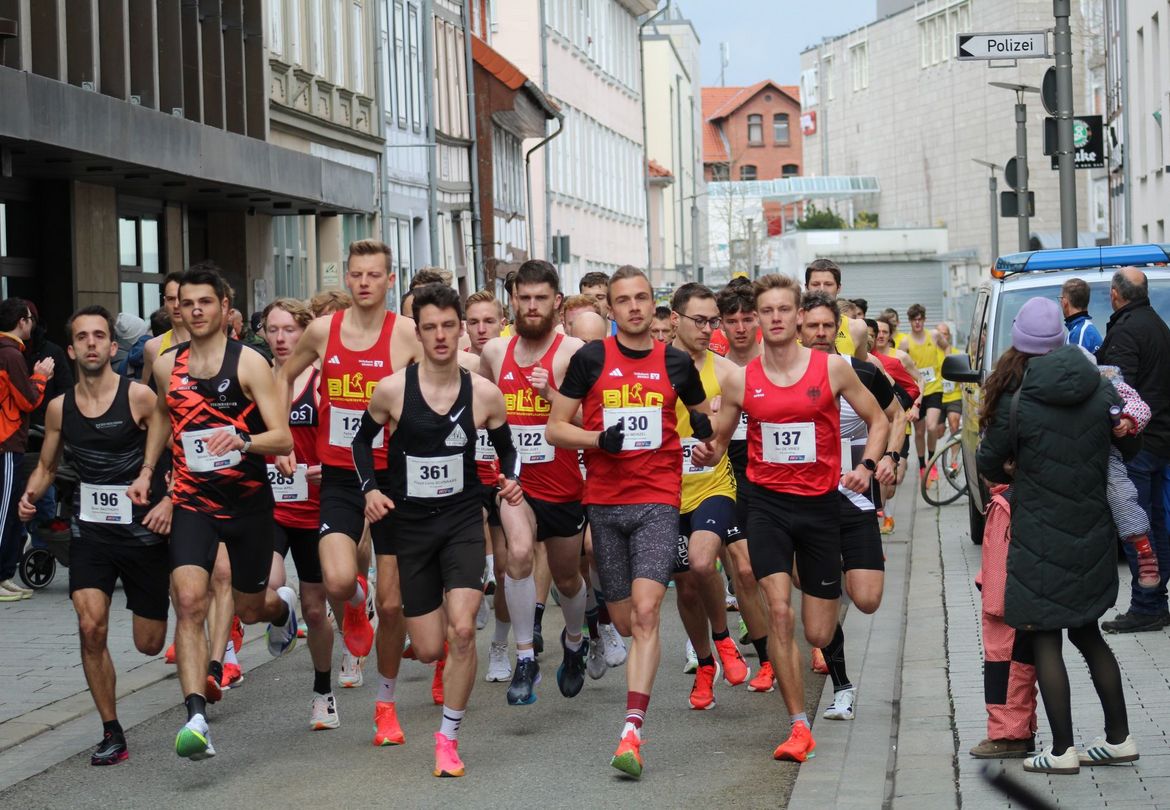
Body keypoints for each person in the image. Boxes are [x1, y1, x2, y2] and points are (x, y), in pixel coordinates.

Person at [694, 274, 888, 764]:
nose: (776, 317)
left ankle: (821, 644)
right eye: (768, 310)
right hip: (766, 506)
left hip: (821, 506)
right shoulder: (739, 379)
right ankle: (798, 725)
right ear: (757, 319)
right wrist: (705, 450)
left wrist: (867, 466)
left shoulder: (832, 369)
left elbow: (880, 419)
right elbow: (719, 441)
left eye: (785, 309)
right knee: (779, 610)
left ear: (799, 316)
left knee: (818, 631)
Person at [129, 262, 298, 760]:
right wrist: (147, 469)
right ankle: (196, 717)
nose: (196, 310)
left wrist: (243, 440)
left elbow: (282, 436)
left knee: (250, 606)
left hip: (246, 504)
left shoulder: (249, 363)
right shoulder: (166, 365)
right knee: (189, 601)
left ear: (225, 309)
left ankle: (281, 608)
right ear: (176, 309)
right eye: (187, 303)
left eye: (206, 302)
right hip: (192, 502)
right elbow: (163, 413)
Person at [353, 282, 523, 778]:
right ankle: (430, 667)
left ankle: (448, 738)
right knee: (428, 647)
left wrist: (511, 478)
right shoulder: (392, 389)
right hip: (409, 527)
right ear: (419, 333)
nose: (441, 336)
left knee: (464, 629)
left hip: (462, 522)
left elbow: (507, 448)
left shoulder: (484, 394)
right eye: (430, 327)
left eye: (450, 325)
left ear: (463, 330)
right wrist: (369, 490)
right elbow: (362, 445)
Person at [547, 265, 709, 778]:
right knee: (623, 621)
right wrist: (597, 441)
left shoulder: (677, 363)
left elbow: (707, 418)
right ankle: (601, 639)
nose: (635, 307)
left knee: (645, 614)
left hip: (659, 499)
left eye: (643, 298)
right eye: (624, 300)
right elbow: (555, 429)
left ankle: (632, 731)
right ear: (610, 310)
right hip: (605, 504)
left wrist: (708, 442)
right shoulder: (591, 359)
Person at [977, 296, 1136, 775]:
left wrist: (1013, 464)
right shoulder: (1101, 387)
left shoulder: (1016, 398)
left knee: (1045, 637)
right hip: (1091, 530)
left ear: (1021, 345)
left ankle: (1062, 750)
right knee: (1088, 634)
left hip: (1039, 534)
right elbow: (1130, 443)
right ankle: (1120, 738)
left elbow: (988, 462)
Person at [277, 239, 425, 746]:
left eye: (374, 274)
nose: (364, 282)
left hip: (394, 476)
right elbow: (282, 374)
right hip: (339, 474)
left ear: (389, 280)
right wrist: (279, 437)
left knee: (393, 606)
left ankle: (385, 705)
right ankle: (353, 606)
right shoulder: (323, 330)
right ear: (348, 278)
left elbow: (440, 383)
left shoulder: (405, 334)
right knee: (338, 583)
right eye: (356, 274)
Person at [17, 305, 171, 764]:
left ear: (112, 346)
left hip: (143, 535)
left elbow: (172, 449)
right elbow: (46, 465)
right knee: (90, 627)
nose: (90, 343)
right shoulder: (61, 408)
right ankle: (111, 731)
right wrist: (30, 496)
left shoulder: (140, 397)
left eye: (98, 336)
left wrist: (166, 496)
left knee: (149, 643)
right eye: (81, 336)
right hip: (92, 534)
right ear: (71, 349)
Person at [479, 260, 593, 705]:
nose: (531, 306)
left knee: (567, 579)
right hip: (515, 483)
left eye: (540, 298)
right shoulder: (494, 354)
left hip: (563, 484)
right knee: (519, 555)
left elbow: (593, 423)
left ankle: (575, 640)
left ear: (556, 302)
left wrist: (553, 398)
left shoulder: (574, 353)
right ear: (512, 302)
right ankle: (524, 656)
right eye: (523, 298)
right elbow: (481, 407)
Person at [798, 293, 901, 723]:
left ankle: (832, 578)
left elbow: (895, 417)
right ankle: (842, 685)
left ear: (838, 331)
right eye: (813, 327)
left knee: (868, 599)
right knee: (818, 625)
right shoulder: (784, 379)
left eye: (828, 327)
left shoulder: (861, 373)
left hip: (854, 498)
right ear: (800, 329)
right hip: (806, 507)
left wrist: (888, 459)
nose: (820, 334)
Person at [667, 283, 752, 710]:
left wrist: (712, 443)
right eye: (698, 321)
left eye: (711, 321)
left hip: (713, 484)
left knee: (703, 562)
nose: (707, 329)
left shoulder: (727, 373)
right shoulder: (653, 368)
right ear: (673, 319)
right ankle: (704, 665)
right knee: (684, 589)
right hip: (665, 492)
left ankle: (724, 639)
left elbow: (724, 440)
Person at [262, 298, 339, 727]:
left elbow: (343, 435)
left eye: (289, 329)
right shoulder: (257, 378)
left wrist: (328, 467)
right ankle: (279, 612)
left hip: (314, 507)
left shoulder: (320, 378)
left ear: (305, 333)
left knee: (316, 609)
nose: (280, 338)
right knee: (269, 583)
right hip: (271, 506)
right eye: (272, 330)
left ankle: (323, 690)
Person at [1097, 268, 1170, 633]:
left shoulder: (1125, 331)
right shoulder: (1158, 325)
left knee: (1135, 526)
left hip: (1136, 445)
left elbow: (1116, 393)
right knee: (1155, 524)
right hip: (1161, 441)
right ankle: (1156, 601)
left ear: (1115, 295)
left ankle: (1146, 604)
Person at [713, 282, 776, 695]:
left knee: (783, 568)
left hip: (773, 464)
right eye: (731, 320)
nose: (740, 327)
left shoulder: (775, 360)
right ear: (721, 323)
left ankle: (816, 640)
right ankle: (768, 657)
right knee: (746, 570)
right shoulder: (714, 368)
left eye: (747, 318)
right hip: (730, 466)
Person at [0, 298, 53, 600]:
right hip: (6, 442)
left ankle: (5, 575)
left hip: (6, 441)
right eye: (30, 319)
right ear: (22, 320)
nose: (32, 324)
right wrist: (41, 376)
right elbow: (29, 400)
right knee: (5, 512)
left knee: (7, 513)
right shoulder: (10, 355)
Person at [898, 303, 944, 478]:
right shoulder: (905, 342)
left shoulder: (934, 335)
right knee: (919, 431)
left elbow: (946, 346)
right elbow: (899, 364)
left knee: (932, 427)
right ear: (909, 322)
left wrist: (944, 365)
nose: (917, 323)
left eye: (920, 319)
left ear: (924, 320)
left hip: (934, 387)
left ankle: (932, 462)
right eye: (914, 320)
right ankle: (922, 464)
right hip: (917, 391)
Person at [803, 259, 868, 360]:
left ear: (838, 288)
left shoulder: (857, 328)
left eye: (828, 284)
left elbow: (862, 370)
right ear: (806, 287)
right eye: (815, 284)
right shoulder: (792, 327)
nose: (822, 289)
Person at [140, 271, 190, 385]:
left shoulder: (207, 344)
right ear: (165, 302)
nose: (176, 305)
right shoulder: (152, 347)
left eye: (182, 298)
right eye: (171, 299)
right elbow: (145, 390)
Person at [1061, 278, 1103, 353]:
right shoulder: (1083, 329)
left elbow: (1076, 364)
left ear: (1065, 302)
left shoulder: (1079, 333)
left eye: (1061, 298)